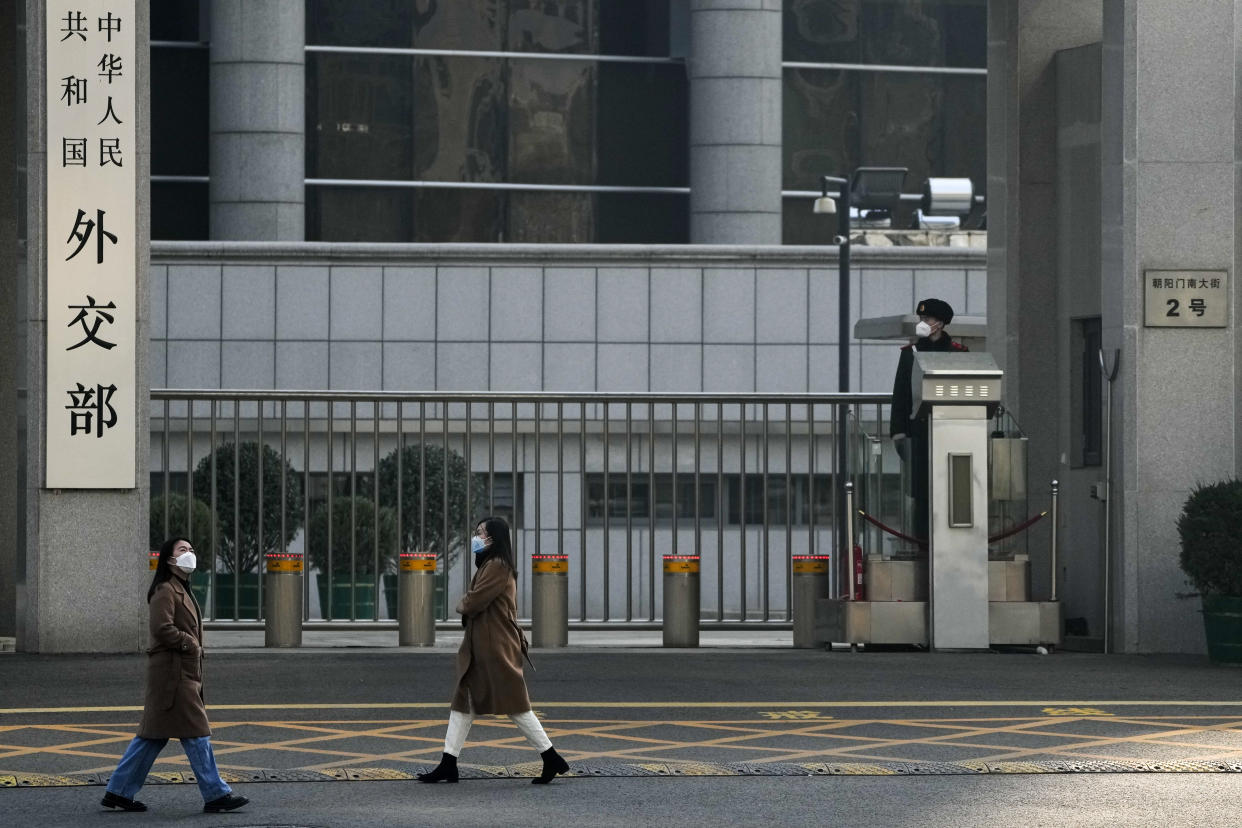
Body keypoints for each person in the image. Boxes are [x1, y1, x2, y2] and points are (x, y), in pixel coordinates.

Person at [100, 537, 249, 814]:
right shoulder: (165, 590)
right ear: (170, 559)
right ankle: (216, 793)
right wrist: (188, 643)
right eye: (183, 550)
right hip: (174, 676)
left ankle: (118, 791)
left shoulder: (181, 588)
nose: (189, 553)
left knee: (153, 736)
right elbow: (161, 628)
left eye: (192, 549)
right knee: (197, 734)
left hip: (178, 674)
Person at [417, 516, 570, 785]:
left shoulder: (498, 566)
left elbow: (475, 601)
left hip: (495, 647)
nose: (476, 537)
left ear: (493, 538)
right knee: (464, 703)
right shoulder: (493, 563)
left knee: (516, 706)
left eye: (480, 533)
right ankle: (448, 763)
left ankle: (551, 757)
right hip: (487, 644)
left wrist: (463, 603)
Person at [889, 298, 968, 545]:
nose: (924, 323)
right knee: (921, 492)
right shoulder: (909, 354)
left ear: (941, 323)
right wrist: (899, 433)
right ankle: (922, 542)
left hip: (950, 430)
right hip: (919, 432)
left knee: (951, 490)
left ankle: (951, 542)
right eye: (922, 319)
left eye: (929, 319)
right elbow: (900, 395)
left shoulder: (958, 352)